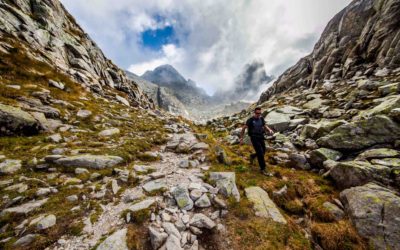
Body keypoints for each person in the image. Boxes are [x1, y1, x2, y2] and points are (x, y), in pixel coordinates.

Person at [240, 107, 274, 176]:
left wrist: (269, 130)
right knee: (260, 153)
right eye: (257, 113)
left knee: (263, 151)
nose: (258, 114)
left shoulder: (261, 118)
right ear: (254, 113)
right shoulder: (250, 120)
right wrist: (241, 138)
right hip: (254, 138)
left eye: (260, 113)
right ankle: (263, 169)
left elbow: (264, 125)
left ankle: (252, 156)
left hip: (261, 136)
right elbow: (243, 128)